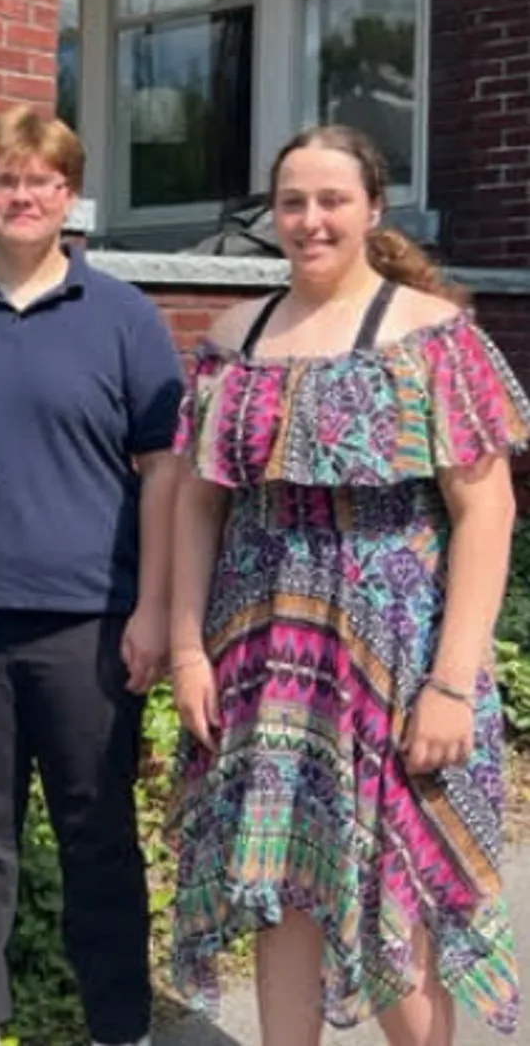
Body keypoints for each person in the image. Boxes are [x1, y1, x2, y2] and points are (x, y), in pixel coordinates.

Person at [166, 123, 525, 1045]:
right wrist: (184, 648)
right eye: (292, 202)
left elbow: (486, 511)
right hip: (262, 652)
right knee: (282, 882)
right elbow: (197, 505)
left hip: (398, 655)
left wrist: (452, 680)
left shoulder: (430, 337)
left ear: (372, 208)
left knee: (391, 896)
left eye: (332, 200)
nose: (310, 220)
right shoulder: (230, 341)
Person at [0, 107, 184, 1046]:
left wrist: (154, 610)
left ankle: (119, 1023)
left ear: (70, 195)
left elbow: (163, 476)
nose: (24, 196)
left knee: (97, 835)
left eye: (44, 180)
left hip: (90, 624)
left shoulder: (124, 317)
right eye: (6, 179)